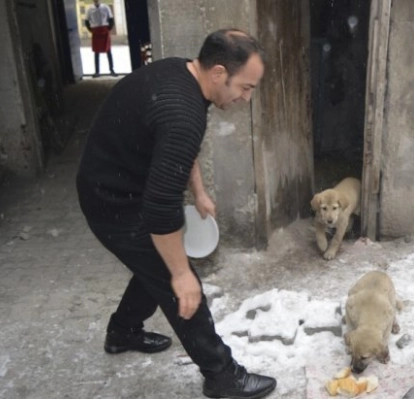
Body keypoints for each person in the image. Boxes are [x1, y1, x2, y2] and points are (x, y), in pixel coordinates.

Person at [76, 29, 276, 399]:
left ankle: (123, 331)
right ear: (218, 73)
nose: (246, 98)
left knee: (154, 262)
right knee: (177, 280)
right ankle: (223, 377)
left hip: (109, 182)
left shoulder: (180, 73)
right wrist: (182, 274)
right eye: (245, 87)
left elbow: (177, 145)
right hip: (112, 201)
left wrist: (198, 191)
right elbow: (159, 208)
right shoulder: (184, 112)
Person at [85, 0, 116, 77]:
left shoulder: (106, 7)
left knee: (108, 51)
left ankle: (112, 70)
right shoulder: (89, 9)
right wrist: (91, 30)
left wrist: (108, 29)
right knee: (96, 52)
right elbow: (86, 21)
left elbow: (111, 19)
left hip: (104, 30)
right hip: (95, 31)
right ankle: (97, 72)